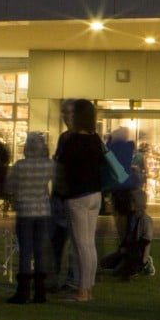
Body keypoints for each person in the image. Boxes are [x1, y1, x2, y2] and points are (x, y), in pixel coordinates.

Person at [54, 100, 105, 302]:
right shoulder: (95, 139)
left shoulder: (72, 141)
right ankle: (88, 288)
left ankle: (82, 290)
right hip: (95, 193)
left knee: (80, 244)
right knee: (89, 244)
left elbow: (61, 168)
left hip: (77, 196)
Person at [8, 132, 53, 304]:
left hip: (25, 210)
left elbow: (9, 185)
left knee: (25, 251)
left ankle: (23, 291)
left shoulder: (20, 165)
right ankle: (40, 290)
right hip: (43, 210)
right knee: (40, 250)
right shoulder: (48, 165)